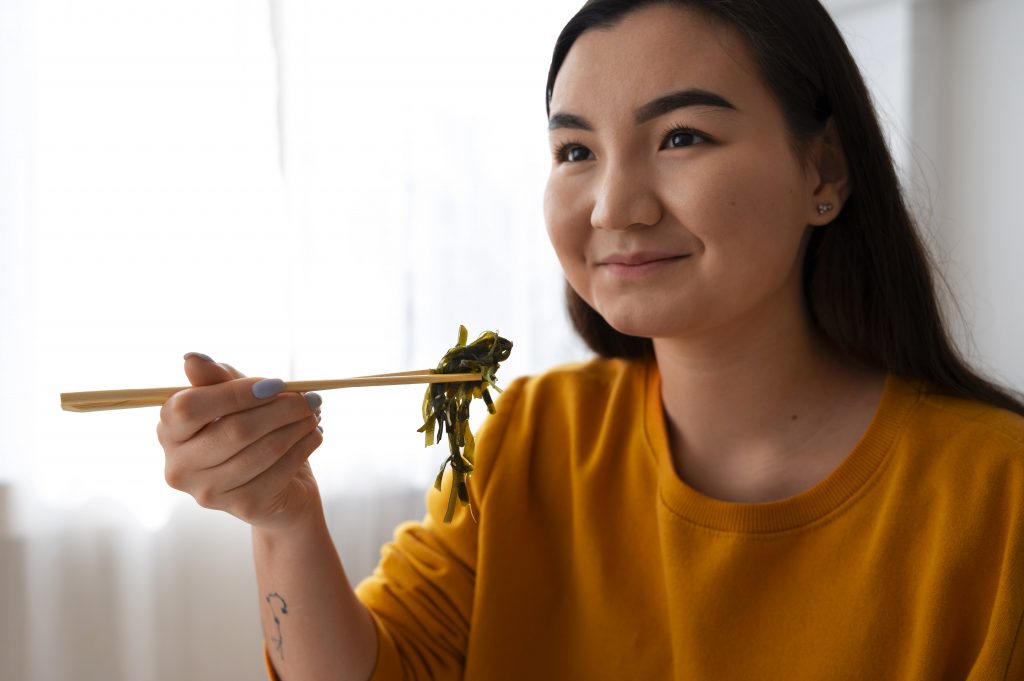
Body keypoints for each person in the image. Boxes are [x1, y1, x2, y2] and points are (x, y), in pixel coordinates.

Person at [157, 0, 1024, 679]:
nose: (614, 207)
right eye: (576, 151)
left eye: (682, 136)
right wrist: (281, 516)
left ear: (825, 170)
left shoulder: (998, 492)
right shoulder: (531, 437)